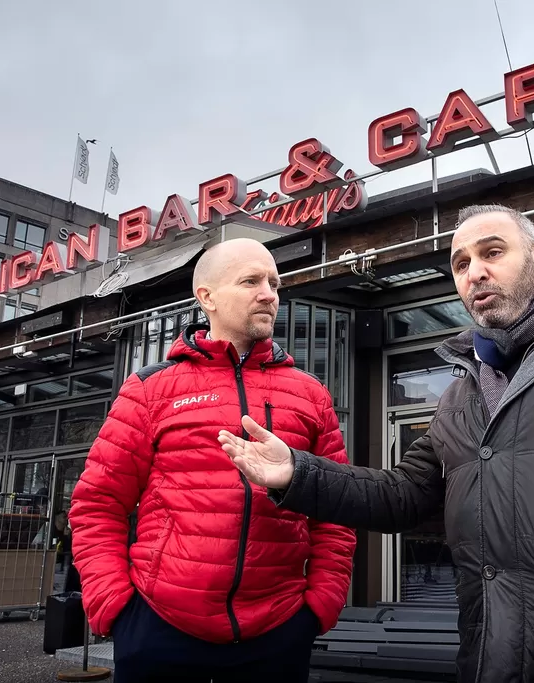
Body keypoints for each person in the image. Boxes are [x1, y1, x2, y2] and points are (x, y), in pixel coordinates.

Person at [219, 205, 534, 683]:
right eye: (460, 263)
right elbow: (403, 494)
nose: (475, 272)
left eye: (492, 252)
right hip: (491, 657)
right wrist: (298, 473)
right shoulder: (459, 398)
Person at [69, 237, 356, 683]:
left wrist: (320, 605)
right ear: (207, 297)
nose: (269, 293)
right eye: (251, 281)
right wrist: (115, 606)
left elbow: (337, 509)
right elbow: (97, 504)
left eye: (274, 283)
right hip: (159, 627)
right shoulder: (150, 389)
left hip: (279, 631)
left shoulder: (310, 394)